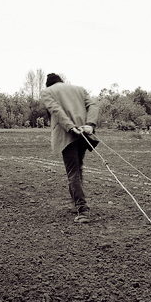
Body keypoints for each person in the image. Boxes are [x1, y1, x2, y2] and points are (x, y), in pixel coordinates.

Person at [41, 73, 99, 223]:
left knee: (72, 172)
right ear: (61, 81)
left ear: (49, 84)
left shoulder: (47, 92)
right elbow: (93, 105)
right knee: (78, 168)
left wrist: (71, 127)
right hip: (84, 134)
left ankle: (82, 210)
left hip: (67, 135)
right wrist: (90, 124)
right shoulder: (79, 89)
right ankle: (77, 204)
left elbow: (56, 110)